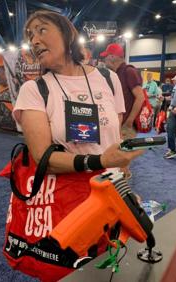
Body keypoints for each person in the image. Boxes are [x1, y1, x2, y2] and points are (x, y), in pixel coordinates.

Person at [13, 11, 143, 198]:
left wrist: (120, 161)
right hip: (67, 197)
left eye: (41, 30)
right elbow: (43, 160)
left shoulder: (108, 78)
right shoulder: (33, 90)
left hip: (113, 188)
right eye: (31, 35)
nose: (34, 41)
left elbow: (113, 135)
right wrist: (101, 161)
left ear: (68, 34)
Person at [100, 43, 145, 179]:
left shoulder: (128, 71)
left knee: (121, 162)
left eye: (106, 56)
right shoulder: (117, 73)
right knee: (117, 161)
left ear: (113, 57)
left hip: (126, 124)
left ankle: (122, 194)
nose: (104, 60)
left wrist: (129, 121)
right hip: (121, 123)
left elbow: (140, 97)